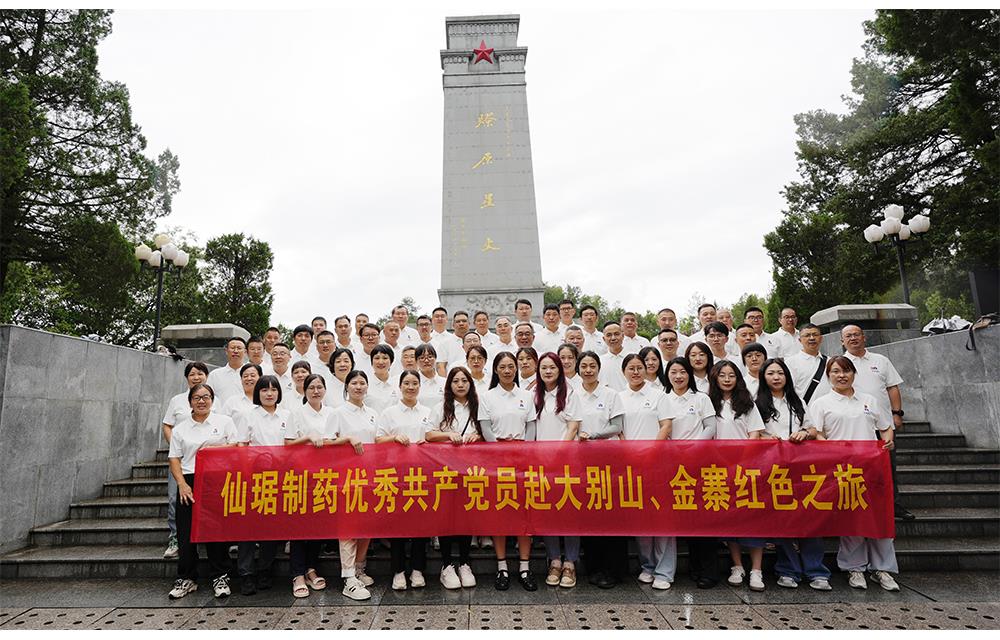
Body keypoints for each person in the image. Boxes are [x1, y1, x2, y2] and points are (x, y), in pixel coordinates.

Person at [808, 356, 900, 591]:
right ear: (829, 376)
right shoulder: (821, 403)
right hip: (842, 470)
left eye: (846, 371)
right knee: (852, 518)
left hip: (872, 467)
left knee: (878, 517)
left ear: (853, 374)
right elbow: (817, 432)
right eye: (836, 371)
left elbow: (885, 427)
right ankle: (854, 568)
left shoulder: (869, 400)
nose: (841, 376)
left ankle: (882, 569)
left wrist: (887, 441)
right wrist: (830, 447)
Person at [753, 359, 832, 591]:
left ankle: (816, 571)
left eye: (780, 373)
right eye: (771, 373)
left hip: (801, 466)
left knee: (809, 516)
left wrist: (804, 434)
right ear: (763, 377)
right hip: (773, 468)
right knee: (782, 518)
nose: (776, 377)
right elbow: (753, 433)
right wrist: (768, 439)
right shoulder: (757, 403)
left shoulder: (797, 401)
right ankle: (787, 570)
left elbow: (812, 428)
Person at [167, 383, 239, 600]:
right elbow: (174, 459)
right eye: (197, 398)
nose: (201, 401)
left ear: (212, 400)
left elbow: (236, 446)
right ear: (190, 401)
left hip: (216, 480)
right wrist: (182, 484)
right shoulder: (180, 429)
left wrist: (212, 450)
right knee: (186, 532)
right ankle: (187, 578)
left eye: (206, 397)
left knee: (216, 530)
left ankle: (221, 576)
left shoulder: (224, 422)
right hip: (189, 481)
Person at [841, 324, 914, 521]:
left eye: (856, 334)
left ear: (864, 337)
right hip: (856, 427)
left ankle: (894, 505)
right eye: (848, 336)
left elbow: (892, 387)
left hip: (883, 426)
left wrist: (897, 413)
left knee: (888, 467)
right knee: (858, 470)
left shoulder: (880, 360)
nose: (853, 338)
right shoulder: (839, 363)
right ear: (842, 341)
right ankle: (863, 507)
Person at [481, 351, 538, 591]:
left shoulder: (527, 396)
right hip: (497, 460)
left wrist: (525, 452)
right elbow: (486, 428)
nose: (507, 371)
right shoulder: (487, 397)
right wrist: (498, 453)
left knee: (524, 513)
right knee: (500, 513)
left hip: (522, 458)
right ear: (495, 370)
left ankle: (524, 567)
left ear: (516, 369)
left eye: (511, 366)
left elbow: (531, 426)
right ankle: (502, 566)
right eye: (502, 367)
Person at [708, 361, 766, 591]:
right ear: (715, 378)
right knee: (729, 518)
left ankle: (757, 570)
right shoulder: (708, 403)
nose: (727, 379)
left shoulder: (747, 403)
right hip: (718, 468)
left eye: (731, 375)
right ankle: (737, 565)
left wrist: (741, 461)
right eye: (722, 375)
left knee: (752, 518)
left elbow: (755, 434)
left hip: (746, 467)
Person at [618, 354, 674, 590]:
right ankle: (648, 566)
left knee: (661, 517)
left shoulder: (658, 395)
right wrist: (628, 452)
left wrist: (651, 451)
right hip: (630, 464)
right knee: (640, 516)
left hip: (657, 462)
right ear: (623, 372)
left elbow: (666, 425)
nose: (635, 372)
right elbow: (618, 429)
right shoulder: (619, 397)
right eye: (631, 368)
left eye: (639, 368)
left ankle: (665, 571)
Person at [376, 369, 434, 590]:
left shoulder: (428, 412)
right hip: (395, 474)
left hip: (421, 474)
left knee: (420, 524)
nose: (411, 387)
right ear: (399, 386)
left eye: (414, 383)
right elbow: (378, 439)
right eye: (406, 383)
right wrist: (394, 438)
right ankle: (398, 571)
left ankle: (418, 569)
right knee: (397, 524)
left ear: (420, 386)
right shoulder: (389, 412)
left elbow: (434, 437)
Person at [232, 376, 290, 595]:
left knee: (270, 527)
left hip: (279, 478)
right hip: (254, 477)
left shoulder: (287, 415)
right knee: (248, 528)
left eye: (274, 389)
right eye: (264, 389)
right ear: (258, 393)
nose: (269, 393)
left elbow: (291, 445)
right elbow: (241, 445)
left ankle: (265, 569)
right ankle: (246, 573)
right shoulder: (249, 415)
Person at [426, 367, 483, 589]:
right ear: (449, 384)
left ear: (470, 383)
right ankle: (447, 565)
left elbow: (488, 432)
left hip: (471, 470)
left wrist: (477, 436)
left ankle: (465, 563)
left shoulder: (478, 406)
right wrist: (448, 435)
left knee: (467, 513)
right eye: (456, 381)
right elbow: (429, 434)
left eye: (464, 381)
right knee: (446, 515)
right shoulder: (440, 407)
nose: (460, 385)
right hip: (445, 469)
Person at [574, 351, 626, 589]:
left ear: (598, 368)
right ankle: (594, 568)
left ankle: (613, 569)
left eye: (592, 366)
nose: (588, 370)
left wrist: (593, 435)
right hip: (582, 461)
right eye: (584, 366)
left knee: (611, 515)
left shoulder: (610, 394)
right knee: (589, 514)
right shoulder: (573, 395)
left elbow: (617, 426)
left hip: (609, 460)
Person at [324, 370, 377, 600]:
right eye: (354, 383)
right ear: (347, 387)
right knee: (348, 527)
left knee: (366, 525)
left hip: (371, 476)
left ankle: (359, 568)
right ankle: (348, 578)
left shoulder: (373, 413)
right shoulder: (338, 412)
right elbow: (326, 442)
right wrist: (346, 439)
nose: (358, 386)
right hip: (346, 476)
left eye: (362, 383)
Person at [534, 353, 583, 588]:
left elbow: (573, 427)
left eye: (552, 367)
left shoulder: (570, 393)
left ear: (559, 370)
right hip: (541, 463)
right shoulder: (534, 395)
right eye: (543, 368)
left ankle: (570, 562)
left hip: (566, 461)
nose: (548, 371)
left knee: (569, 510)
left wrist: (558, 453)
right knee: (548, 511)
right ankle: (554, 560)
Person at [285, 373, 335, 597]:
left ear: (325, 390)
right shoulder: (296, 413)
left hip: (325, 475)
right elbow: (287, 444)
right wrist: (307, 438)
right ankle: (297, 573)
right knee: (298, 525)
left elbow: (336, 440)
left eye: (319, 387)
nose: (316, 391)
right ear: (304, 390)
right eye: (311, 387)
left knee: (317, 524)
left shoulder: (332, 413)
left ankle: (311, 568)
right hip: (300, 475)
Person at [160, 361, 210, 559]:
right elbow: (167, 425)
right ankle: (175, 537)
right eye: (192, 374)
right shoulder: (177, 400)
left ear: (206, 376)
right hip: (182, 459)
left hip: (208, 462)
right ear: (187, 378)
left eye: (200, 373)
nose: (196, 377)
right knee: (176, 498)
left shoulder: (213, 399)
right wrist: (176, 446)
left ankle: (204, 536)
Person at [784, 323, 831, 406]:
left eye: (815, 335)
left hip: (829, 409)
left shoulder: (830, 361)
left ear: (821, 338)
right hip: (805, 410)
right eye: (807, 335)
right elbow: (788, 390)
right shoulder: (790, 362)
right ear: (800, 340)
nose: (812, 338)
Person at [206, 337, 246, 404]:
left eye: (239, 348)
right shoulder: (215, 375)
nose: (236, 351)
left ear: (245, 352)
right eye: (232, 348)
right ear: (226, 351)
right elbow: (208, 396)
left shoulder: (251, 375)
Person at [365, 344, 400, 412]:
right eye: (377, 358)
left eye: (385, 358)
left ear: (391, 362)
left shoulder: (398, 383)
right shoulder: (365, 384)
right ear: (371, 362)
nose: (381, 362)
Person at [413, 343, 446, 408]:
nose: (426, 360)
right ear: (416, 361)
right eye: (422, 358)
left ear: (435, 359)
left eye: (430, 357)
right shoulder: (413, 383)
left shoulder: (445, 382)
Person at [598, 321, 628, 390]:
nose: (613, 338)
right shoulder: (599, 361)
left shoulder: (633, 358)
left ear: (623, 336)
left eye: (616, 334)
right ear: (604, 339)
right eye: (609, 335)